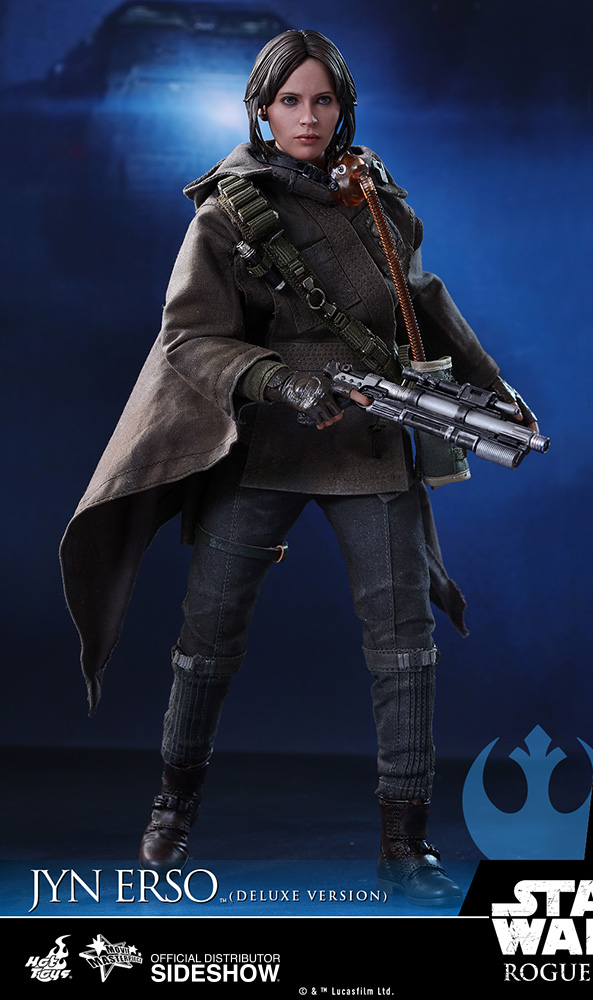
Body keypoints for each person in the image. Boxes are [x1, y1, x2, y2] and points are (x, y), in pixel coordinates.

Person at [60, 29, 537, 907]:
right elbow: (189, 335)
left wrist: (493, 389)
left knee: (404, 646)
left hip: (369, 444)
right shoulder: (229, 213)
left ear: (343, 108)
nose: (308, 118)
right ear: (263, 109)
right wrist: (276, 379)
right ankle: (173, 806)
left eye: (323, 101)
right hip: (263, 447)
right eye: (290, 101)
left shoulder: (377, 201)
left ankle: (404, 843)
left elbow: (423, 303)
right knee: (208, 635)